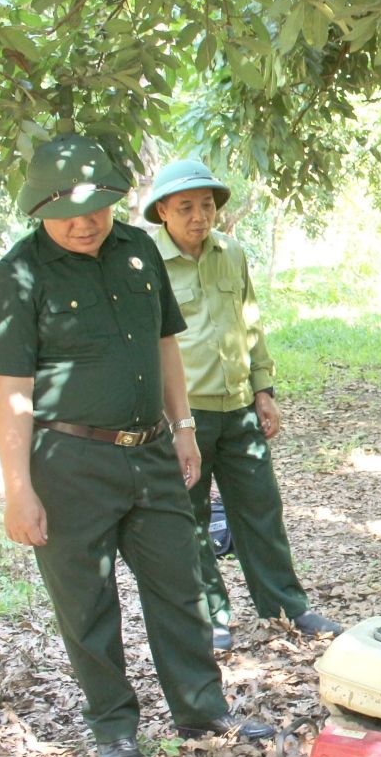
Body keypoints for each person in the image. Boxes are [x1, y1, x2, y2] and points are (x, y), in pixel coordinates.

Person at [0, 134, 273, 757]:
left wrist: (184, 426)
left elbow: (166, 346)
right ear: (39, 207)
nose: (86, 222)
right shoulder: (17, 275)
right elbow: (12, 394)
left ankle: (202, 712)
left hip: (150, 453)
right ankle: (114, 728)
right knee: (86, 604)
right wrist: (18, 488)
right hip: (68, 461)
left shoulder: (141, 250)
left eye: (98, 207)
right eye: (69, 211)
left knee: (180, 586)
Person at [142, 159, 341, 652]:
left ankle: (286, 606)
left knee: (260, 510)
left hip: (237, 408)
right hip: (183, 415)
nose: (198, 216)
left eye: (206, 205)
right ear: (163, 211)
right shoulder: (146, 263)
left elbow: (249, 324)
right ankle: (212, 616)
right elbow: (145, 344)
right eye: (185, 207)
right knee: (189, 519)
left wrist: (263, 389)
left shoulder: (231, 254)